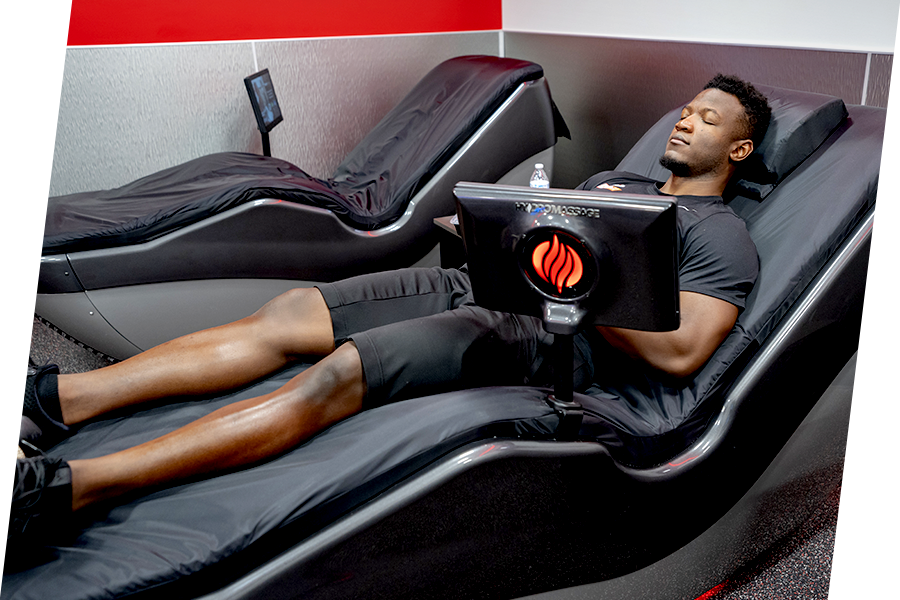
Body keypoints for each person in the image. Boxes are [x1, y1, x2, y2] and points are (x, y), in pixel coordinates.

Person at [9, 74, 771, 548]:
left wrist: (556, 284)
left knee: (335, 374)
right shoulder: (611, 185)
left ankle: (69, 488)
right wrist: (494, 236)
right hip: (475, 284)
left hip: (542, 336)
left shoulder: (720, 235)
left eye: (708, 119)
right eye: (686, 110)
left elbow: (682, 352)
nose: (685, 121)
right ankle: (59, 398)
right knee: (288, 315)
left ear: (738, 151)